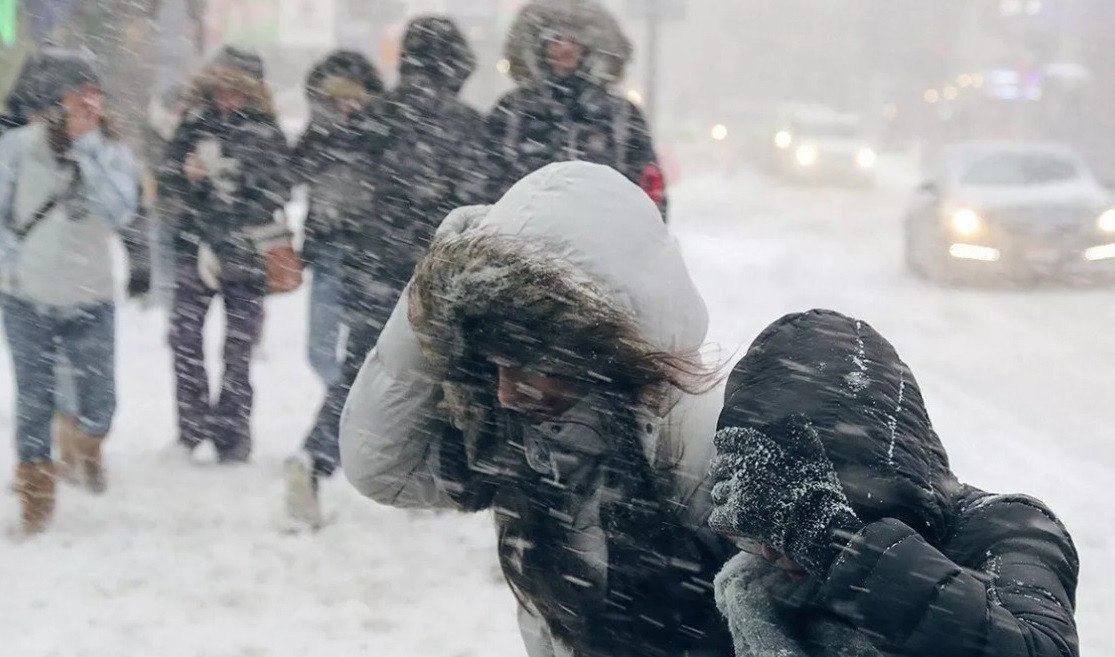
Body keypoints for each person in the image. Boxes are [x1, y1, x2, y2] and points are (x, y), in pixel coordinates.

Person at [339, 162, 735, 656]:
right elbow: (379, 465)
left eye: (530, 364)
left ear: (605, 352)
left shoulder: (702, 442)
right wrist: (437, 291)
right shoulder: (525, 441)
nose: (506, 392)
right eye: (493, 365)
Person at [708, 310, 1080, 657]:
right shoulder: (758, 588)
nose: (772, 552)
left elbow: (1039, 648)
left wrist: (838, 543)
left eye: (794, 524)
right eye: (758, 534)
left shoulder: (1004, 527)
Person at [284, 17, 486, 528]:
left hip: (374, 268)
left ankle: (314, 459)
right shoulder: (466, 125)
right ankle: (437, 478)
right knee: (450, 376)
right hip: (443, 271)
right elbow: (485, 203)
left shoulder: (375, 117)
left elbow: (334, 181)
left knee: (360, 371)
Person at [0, 47, 141, 534]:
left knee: (101, 402)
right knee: (33, 400)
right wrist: (12, 269)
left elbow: (121, 211)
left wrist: (89, 149)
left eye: (94, 96)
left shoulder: (112, 152)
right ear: (52, 101)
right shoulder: (17, 148)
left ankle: (84, 445)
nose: (89, 105)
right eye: (78, 97)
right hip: (26, 299)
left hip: (91, 295)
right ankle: (36, 496)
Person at [158, 47, 290, 463]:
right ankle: (191, 428)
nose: (226, 98)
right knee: (184, 340)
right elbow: (167, 183)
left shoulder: (266, 132)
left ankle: (232, 433)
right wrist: (187, 176)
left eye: (235, 90)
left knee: (238, 350)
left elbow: (276, 191)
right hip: (194, 249)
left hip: (245, 256)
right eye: (220, 89)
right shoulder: (194, 124)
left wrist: (233, 183)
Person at [487, 1, 667, 214]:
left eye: (574, 40)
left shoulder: (621, 115)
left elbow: (649, 187)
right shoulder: (512, 112)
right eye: (555, 39)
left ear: (588, 49)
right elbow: (487, 179)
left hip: (600, 237)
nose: (565, 48)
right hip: (521, 240)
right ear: (540, 48)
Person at [292, 50, 384, 388]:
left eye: (354, 98)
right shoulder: (317, 135)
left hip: (369, 250)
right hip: (326, 246)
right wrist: (323, 132)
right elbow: (292, 171)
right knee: (320, 348)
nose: (347, 106)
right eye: (338, 99)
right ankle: (340, 399)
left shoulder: (380, 134)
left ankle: (343, 406)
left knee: (365, 343)